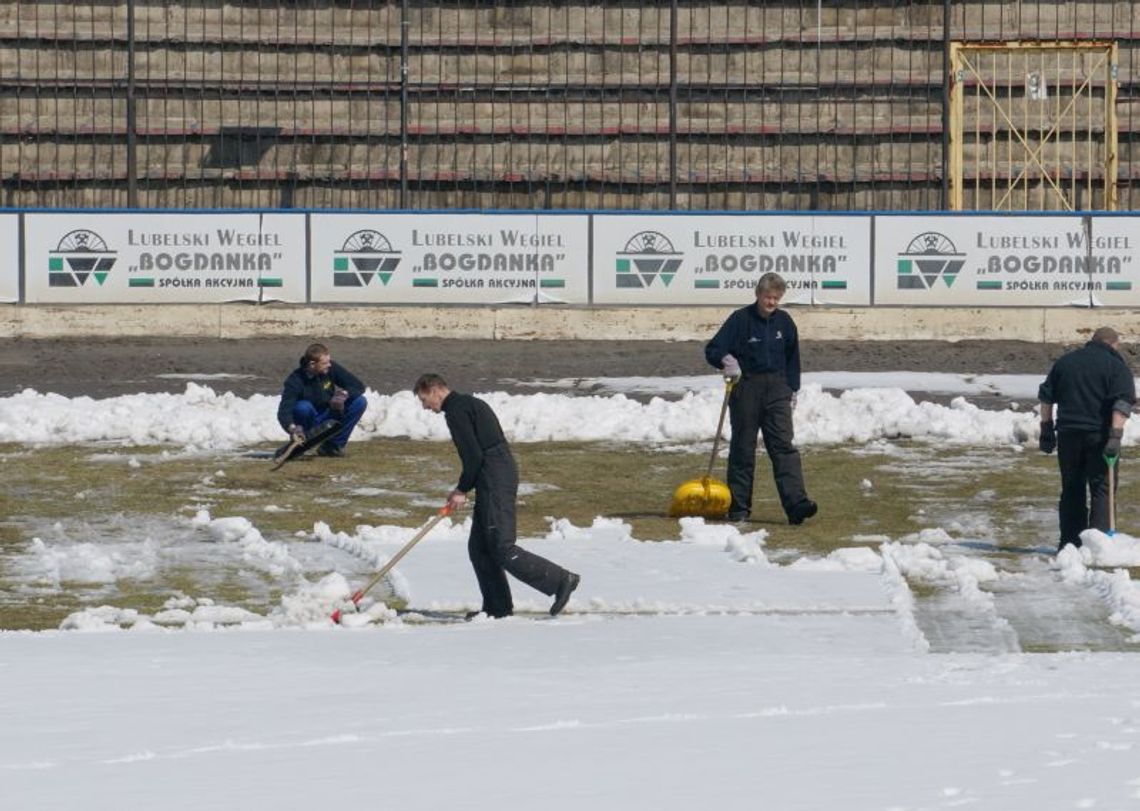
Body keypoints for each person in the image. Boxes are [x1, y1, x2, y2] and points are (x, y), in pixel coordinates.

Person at [414, 373, 580, 618]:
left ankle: (560, 580)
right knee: (479, 548)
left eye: (424, 399)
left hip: (494, 475)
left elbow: (473, 457)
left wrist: (461, 490)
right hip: (494, 472)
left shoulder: (457, 411)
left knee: (501, 546)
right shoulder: (469, 403)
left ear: (435, 390)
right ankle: (497, 608)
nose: (425, 406)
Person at [704, 271, 817, 525]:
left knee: (784, 447)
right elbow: (713, 349)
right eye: (768, 297)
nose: (772, 303)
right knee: (743, 448)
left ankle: (796, 504)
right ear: (758, 294)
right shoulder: (740, 319)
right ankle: (739, 507)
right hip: (747, 388)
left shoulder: (785, 323)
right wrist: (727, 361)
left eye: (776, 298)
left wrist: (793, 389)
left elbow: (792, 359)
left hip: (778, 389)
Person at [1038, 326, 1135, 550]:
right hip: (1099, 435)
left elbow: (1046, 396)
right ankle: (1098, 545)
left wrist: (1046, 427)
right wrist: (1115, 437)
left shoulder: (1065, 363)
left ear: (1092, 341)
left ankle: (1069, 543)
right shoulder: (1116, 367)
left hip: (1068, 434)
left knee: (1071, 487)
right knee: (1102, 487)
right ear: (1114, 344)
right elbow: (1122, 404)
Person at [277, 342, 367, 457]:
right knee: (303, 407)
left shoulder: (330, 368)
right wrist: (293, 428)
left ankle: (333, 446)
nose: (329, 365)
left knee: (359, 402)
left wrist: (343, 395)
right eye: (325, 363)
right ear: (312, 364)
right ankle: (303, 445)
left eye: (329, 361)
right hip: (309, 422)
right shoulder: (295, 381)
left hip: (330, 414)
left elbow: (358, 386)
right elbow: (284, 412)